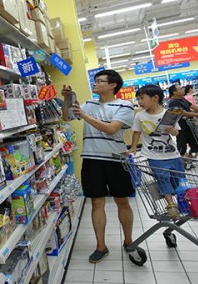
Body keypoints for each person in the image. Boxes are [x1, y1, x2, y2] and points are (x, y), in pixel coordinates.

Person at [61, 69, 141, 264]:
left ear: (113, 85)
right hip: (91, 158)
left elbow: (111, 129)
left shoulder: (124, 106)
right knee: (97, 203)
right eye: (95, 81)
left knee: (122, 201)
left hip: (116, 159)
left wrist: (85, 116)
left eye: (100, 81)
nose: (95, 84)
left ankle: (129, 241)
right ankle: (100, 246)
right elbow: (67, 117)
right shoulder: (88, 104)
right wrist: (67, 100)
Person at [130, 85, 184, 218]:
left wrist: (172, 131)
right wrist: (133, 148)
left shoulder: (169, 114)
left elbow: (177, 132)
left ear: (155, 98)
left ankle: (183, 202)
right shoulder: (140, 116)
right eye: (138, 99)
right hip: (154, 156)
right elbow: (136, 133)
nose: (140, 101)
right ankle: (171, 205)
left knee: (180, 180)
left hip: (173, 154)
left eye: (142, 98)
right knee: (162, 179)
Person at [167, 84, 198, 160]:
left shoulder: (182, 99)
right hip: (181, 127)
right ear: (174, 92)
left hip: (189, 125)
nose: (183, 90)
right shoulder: (172, 102)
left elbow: (192, 106)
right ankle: (183, 162)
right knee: (182, 146)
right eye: (180, 89)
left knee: (196, 143)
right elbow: (183, 113)